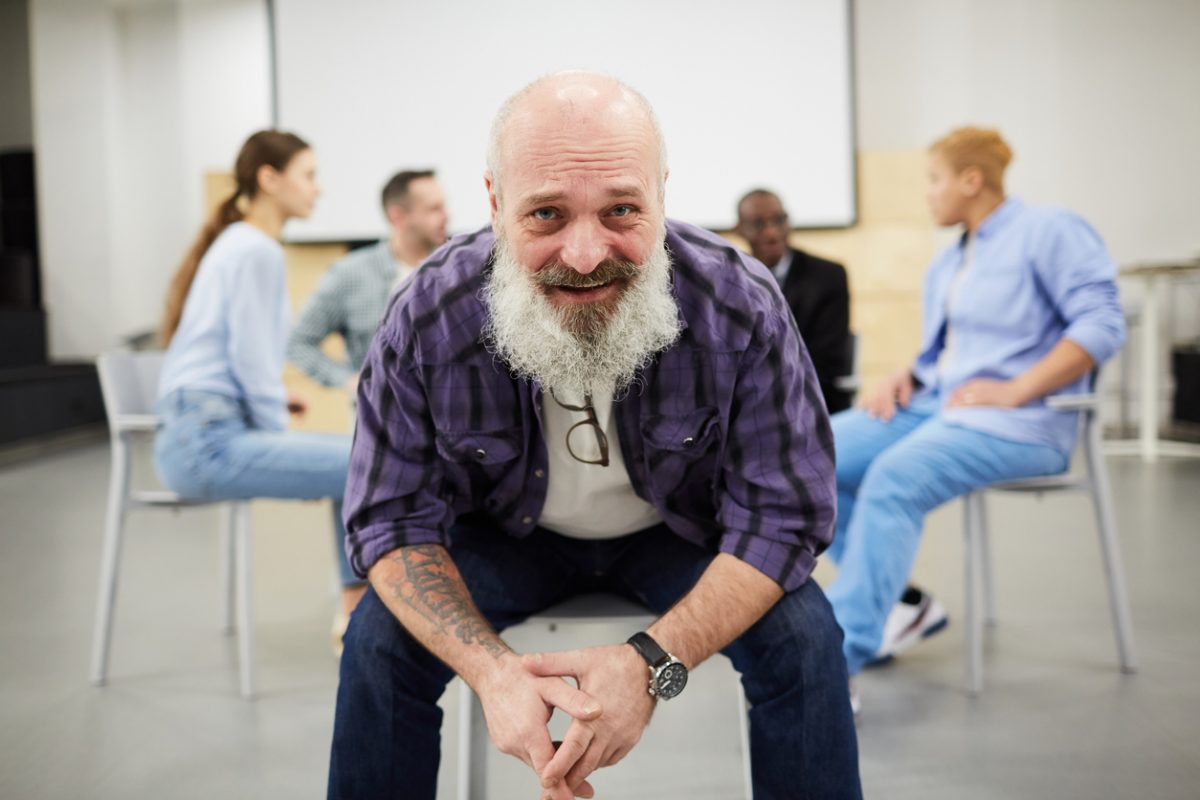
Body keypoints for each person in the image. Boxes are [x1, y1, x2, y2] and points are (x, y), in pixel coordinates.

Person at [327, 72, 861, 800]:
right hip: (507, 538)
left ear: (661, 196)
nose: (585, 254)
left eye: (620, 211)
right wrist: (492, 673)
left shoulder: (738, 305)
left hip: (679, 536)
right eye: (546, 213)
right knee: (377, 642)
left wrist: (651, 662)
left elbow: (784, 516)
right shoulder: (429, 313)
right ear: (494, 202)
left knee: (804, 640)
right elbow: (390, 520)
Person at [824, 127, 1125, 701]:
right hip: (941, 406)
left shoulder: (1048, 231)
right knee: (810, 458)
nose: (928, 195)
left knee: (895, 479)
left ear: (971, 180)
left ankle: (833, 664)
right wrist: (906, 376)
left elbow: (1103, 324)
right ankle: (899, 602)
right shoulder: (949, 260)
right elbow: (950, 354)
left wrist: (1018, 390)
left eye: (934, 181)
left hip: (1024, 422)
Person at [154, 130, 366, 648]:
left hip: (198, 428)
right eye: (309, 175)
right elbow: (249, 359)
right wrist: (277, 435)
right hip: (204, 442)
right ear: (270, 179)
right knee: (364, 463)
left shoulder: (238, 244)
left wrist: (273, 413)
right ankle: (357, 613)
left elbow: (232, 362)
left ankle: (354, 607)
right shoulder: (256, 250)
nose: (318, 189)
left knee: (358, 457)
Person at [287, 170, 448, 397]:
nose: (446, 216)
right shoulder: (351, 274)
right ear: (398, 217)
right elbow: (299, 343)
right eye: (434, 209)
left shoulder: (455, 272)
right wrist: (351, 382)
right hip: (380, 424)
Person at [736, 189, 853, 412]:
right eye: (759, 224)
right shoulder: (730, 279)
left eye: (779, 220)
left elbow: (827, 360)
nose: (772, 233)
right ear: (740, 230)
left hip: (812, 400)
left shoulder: (828, 276)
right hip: (748, 403)